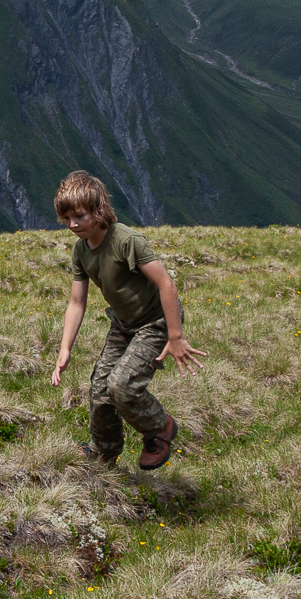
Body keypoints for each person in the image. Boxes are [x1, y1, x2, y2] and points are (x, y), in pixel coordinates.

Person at [49, 170, 201, 468]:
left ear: (98, 209)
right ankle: (104, 449)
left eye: (79, 216)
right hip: (123, 324)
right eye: (66, 218)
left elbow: (166, 285)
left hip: (155, 322)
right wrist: (65, 348)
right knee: (101, 388)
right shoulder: (81, 250)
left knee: (122, 385)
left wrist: (175, 337)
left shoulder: (128, 240)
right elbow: (76, 302)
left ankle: (160, 428)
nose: (72, 224)